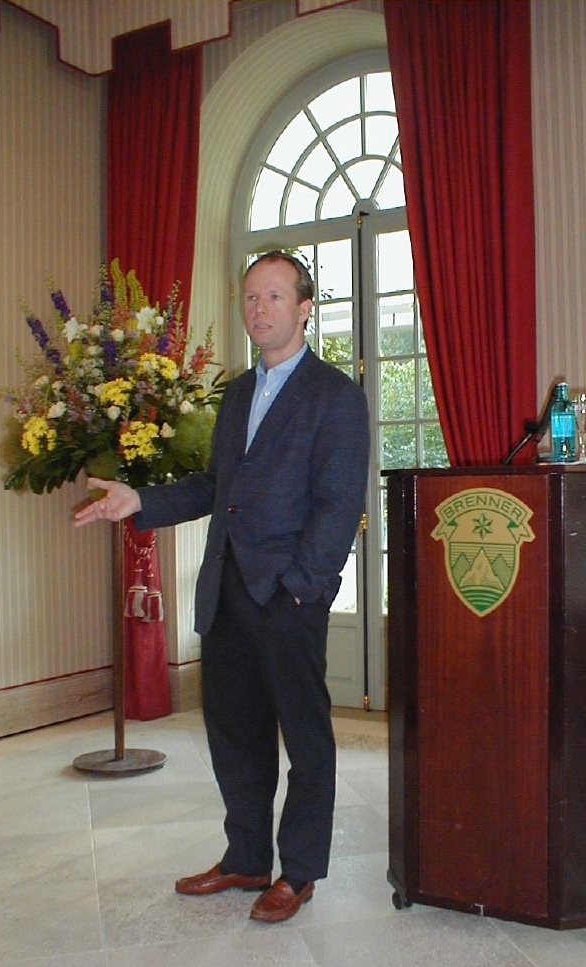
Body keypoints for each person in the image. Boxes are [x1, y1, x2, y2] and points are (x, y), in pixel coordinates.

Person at [74, 251, 370, 923]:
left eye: (274, 296)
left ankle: (299, 870)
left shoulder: (334, 396)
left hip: (288, 595)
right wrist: (140, 501)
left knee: (306, 738)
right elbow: (217, 487)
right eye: (251, 296)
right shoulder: (236, 394)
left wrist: (303, 588)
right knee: (233, 733)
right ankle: (246, 858)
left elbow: (338, 504)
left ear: (304, 308)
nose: (258, 307)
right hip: (227, 590)